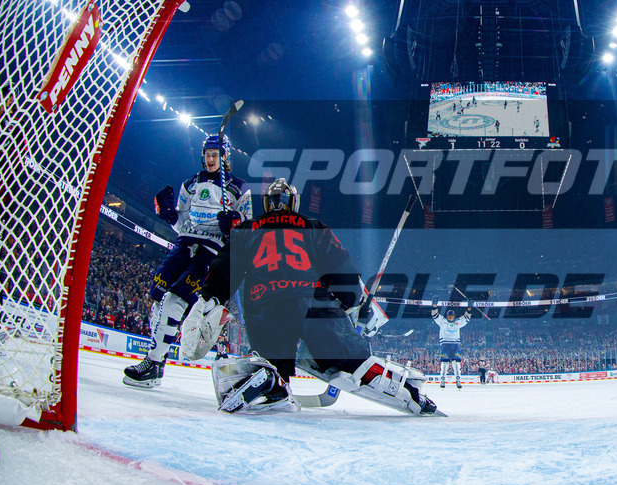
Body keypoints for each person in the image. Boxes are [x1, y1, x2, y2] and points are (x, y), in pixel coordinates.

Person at [180, 178, 438, 416]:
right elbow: (340, 266)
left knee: (273, 359)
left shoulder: (246, 229)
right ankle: (406, 392)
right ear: (294, 202)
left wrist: (209, 298)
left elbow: (225, 267)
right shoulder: (313, 226)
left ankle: (273, 384)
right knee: (350, 358)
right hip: (312, 301)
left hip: (263, 305)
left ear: (267, 204)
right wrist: (351, 301)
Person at [122, 133, 252, 389]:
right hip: (184, 244)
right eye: (207, 155)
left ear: (225, 157)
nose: (211, 159)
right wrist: (168, 215)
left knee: (174, 302)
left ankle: (153, 363)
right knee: (158, 298)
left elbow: (247, 230)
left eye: (215, 155)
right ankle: (156, 363)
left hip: (212, 250)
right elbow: (182, 224)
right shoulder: (190, 183)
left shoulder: (239, 187)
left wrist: (234, 225)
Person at [432, 306, 471, 388]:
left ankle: (458, 380)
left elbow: (467, 318)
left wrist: (469, 308)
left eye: (452, 315)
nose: (450, 316)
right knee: (444, 363)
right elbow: (435, 315)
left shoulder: (458, 322)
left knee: (456, 363)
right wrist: (434, 306)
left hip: (455, 345)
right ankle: (442, 381)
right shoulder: (443, 321)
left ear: (454, 316)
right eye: (449, 315)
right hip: (445, 344)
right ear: (447, 316)